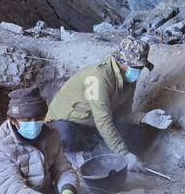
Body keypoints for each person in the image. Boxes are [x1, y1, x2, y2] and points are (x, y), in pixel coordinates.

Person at [46, 35, 153, 168]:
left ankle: (96, 154)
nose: (139, 71)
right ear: (122, 61)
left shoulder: (129, 80)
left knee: (136, 131)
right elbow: (103, 120)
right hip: (67, 122)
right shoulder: (98, 77)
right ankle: (72, 157)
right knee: (67, 135)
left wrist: (145, 118)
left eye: (141, 67)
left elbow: (122, 115)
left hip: (92, 123)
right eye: (136, 66)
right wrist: (123, 153)